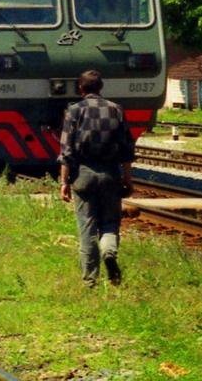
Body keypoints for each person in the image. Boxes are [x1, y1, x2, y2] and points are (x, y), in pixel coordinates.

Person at [58, 70, 135, 287]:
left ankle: (90, 280)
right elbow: (127, 149)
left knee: (87, 226)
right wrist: (127, 179)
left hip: (83, 174)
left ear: (81, 89)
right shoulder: (115, 109)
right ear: (101, 88)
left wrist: (64, 182)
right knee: (110, 223)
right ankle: (109, 253)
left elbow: (66, 151)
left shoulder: (74, 111)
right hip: (111, 174)